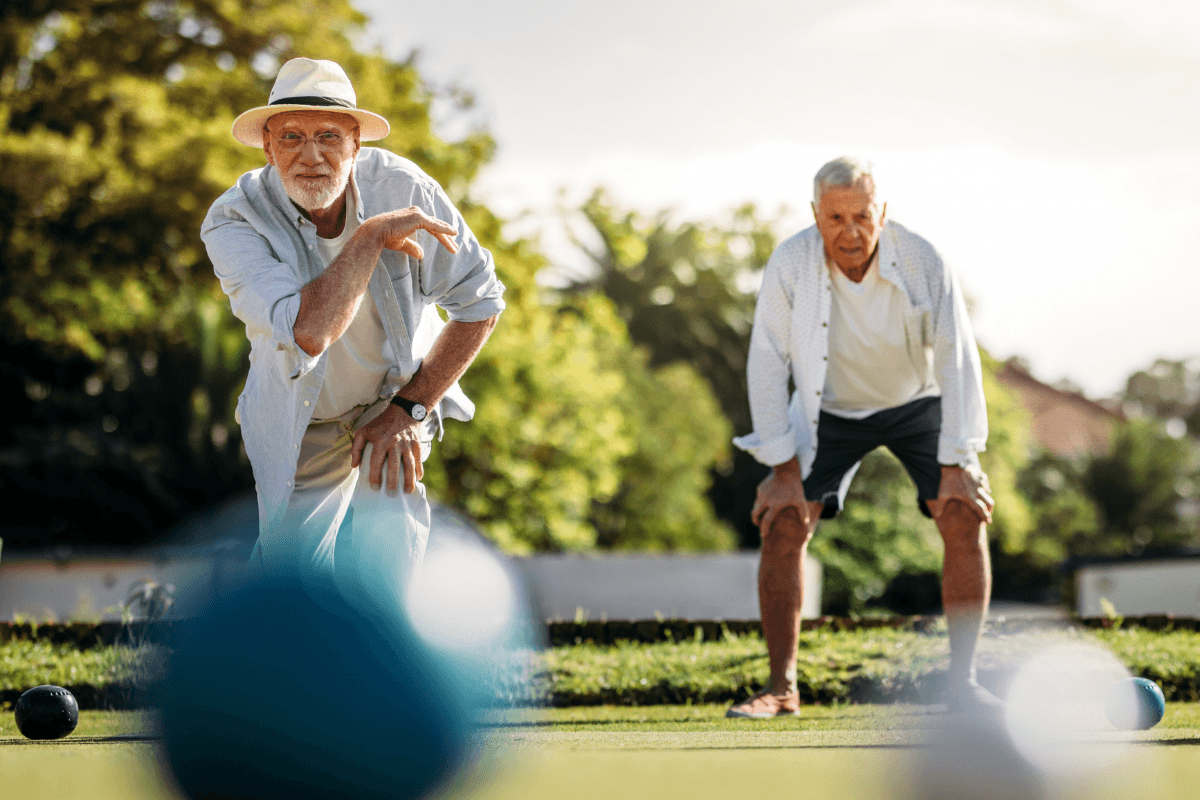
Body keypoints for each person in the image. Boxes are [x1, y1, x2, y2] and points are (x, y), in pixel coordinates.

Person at [202, 58, 505, 605]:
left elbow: (481, 301)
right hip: (300, 414)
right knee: (291, 582)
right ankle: (274, 681)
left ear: (356, 144)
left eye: (328, 136)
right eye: (291, 136)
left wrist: (409, 409)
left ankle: (389, 681)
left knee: (388, 568)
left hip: (391, 402)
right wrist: (369, 239)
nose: (311, 155)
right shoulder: (233, 221)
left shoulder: (405, 186)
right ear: (267, 147)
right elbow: (308, 333)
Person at [727, 156, 997, 718]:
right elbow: (768, 361)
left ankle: (963, 685)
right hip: (828, 409)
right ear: (815, 215)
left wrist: (959, 458)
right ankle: (782, 688)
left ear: (883, 213)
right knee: (782, 522)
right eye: (835, 217)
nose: (849, 231)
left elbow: (956, 355)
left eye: (862, 216)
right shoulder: (790, 263)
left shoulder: (923, 259)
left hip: (916, 402)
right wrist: (781, 468)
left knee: (960, 510)